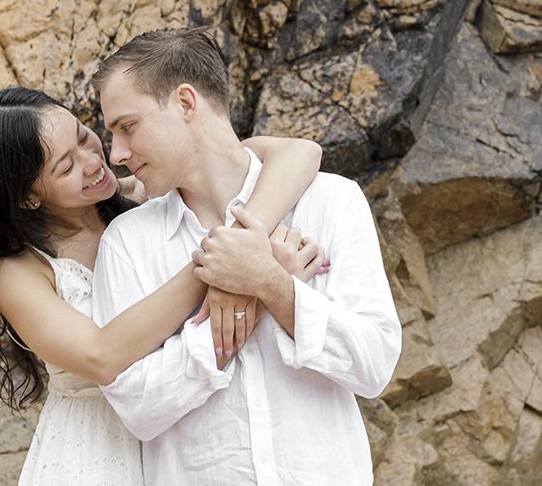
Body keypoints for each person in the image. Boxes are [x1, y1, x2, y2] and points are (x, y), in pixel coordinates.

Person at [0, 86, 327, 486]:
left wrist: (243, 258)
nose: (95, 160)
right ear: (29, 197)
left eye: (83, 136)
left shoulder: (148, 189)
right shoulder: (18, 271)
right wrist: (223, 270)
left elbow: (300, 152)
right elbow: (102, 357)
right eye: (66, 167)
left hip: (188, 429)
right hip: (96, 454)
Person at [91, 27, 401, 486]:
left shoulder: (331, 200)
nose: (116, 154)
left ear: (185, 103)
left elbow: (374, 365)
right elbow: (137, 408)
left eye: (127, 127)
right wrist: (253, 297)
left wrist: (274, 285)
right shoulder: (126, 242)